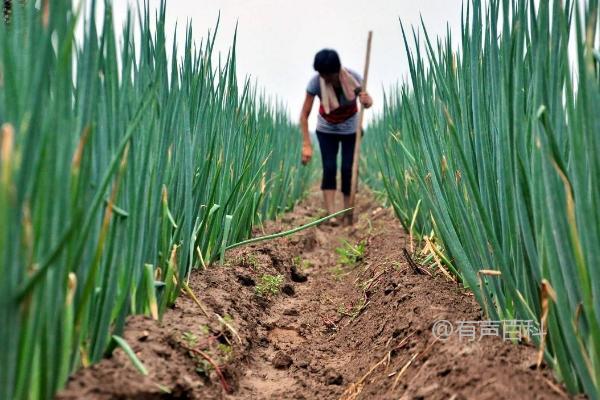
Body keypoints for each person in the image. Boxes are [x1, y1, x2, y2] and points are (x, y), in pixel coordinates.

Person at [300, 48, 373, 225]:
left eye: (328, 75)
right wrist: (307, 144)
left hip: (350, 129)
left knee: (348, 169)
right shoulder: (316, 83)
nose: (325, 78)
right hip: (326, 130)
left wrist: (366, 100)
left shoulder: (354, 78)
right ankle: (331, 215)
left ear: (337, 70)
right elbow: (304, 114)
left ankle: (348, 213)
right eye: (321, 74)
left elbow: (368, 101)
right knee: (329, 168)